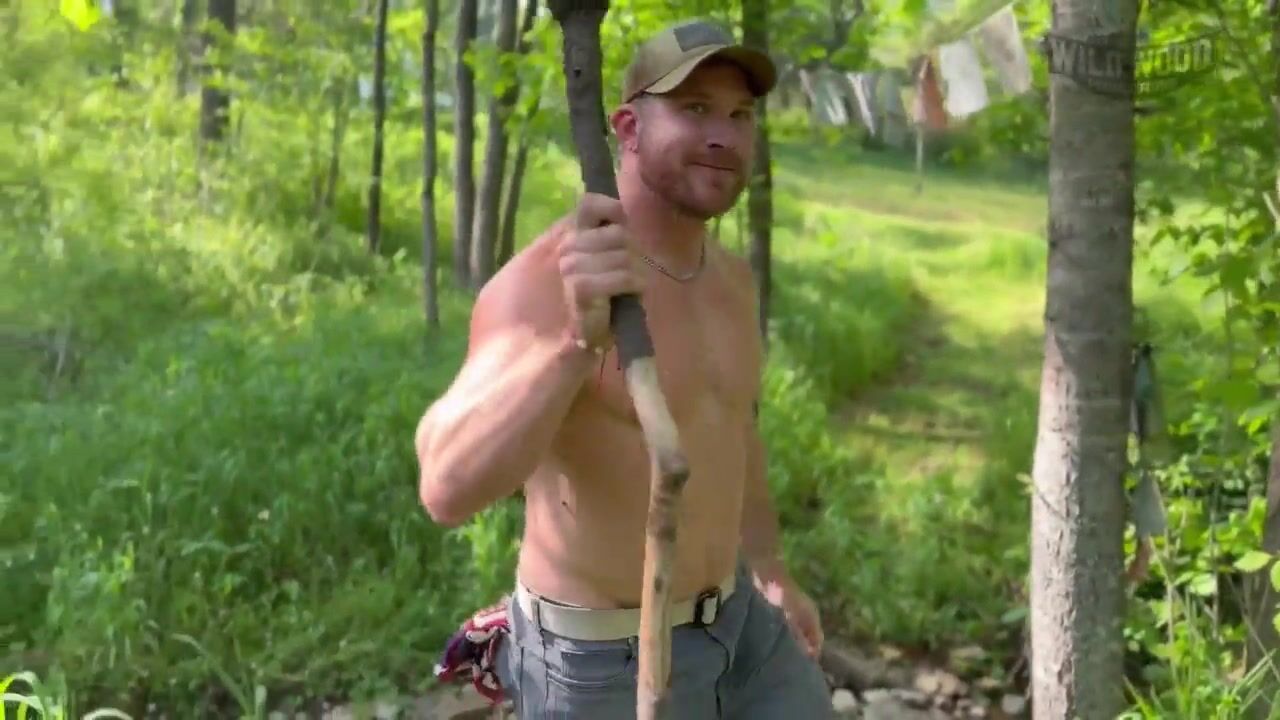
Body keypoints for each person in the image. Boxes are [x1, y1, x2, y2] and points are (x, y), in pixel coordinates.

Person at [416, 18, 835, 719]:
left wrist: (770, 570)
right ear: (628, 128)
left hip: (740, 624)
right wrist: (572, 344)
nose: (723, 136)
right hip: (603, 659)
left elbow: (735, 431)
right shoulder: (546, 283)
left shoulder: (732, 280)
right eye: (695, 108)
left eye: (739, 115)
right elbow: (445, 490)